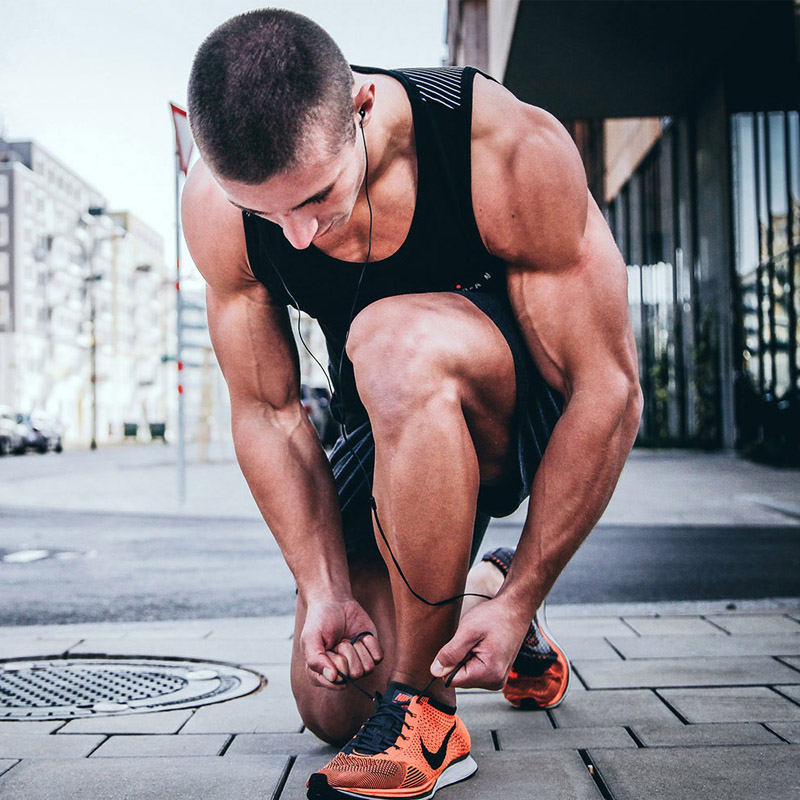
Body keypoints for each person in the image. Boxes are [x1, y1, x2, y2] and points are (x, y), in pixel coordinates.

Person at [183, 9, 642, 800]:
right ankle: (481, 597)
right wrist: (323, 587)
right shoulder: (218, 203)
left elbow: (609, 389)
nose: (295, 236)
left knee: (390, 339)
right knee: (331, 701)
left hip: (513, 410)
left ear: (361, 107)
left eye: (318, 196)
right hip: (386, 420)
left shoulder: (496, 144)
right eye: (268, 214)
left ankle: (428, 716)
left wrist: (536, 580)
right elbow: (268, 411)